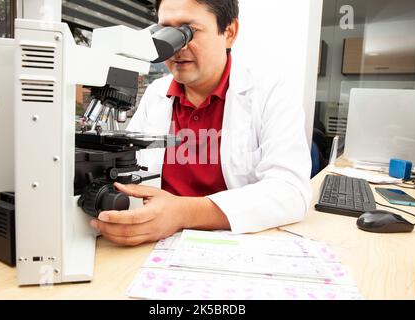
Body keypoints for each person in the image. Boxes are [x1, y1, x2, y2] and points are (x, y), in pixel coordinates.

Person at [90, 0, 312, 246]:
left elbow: (291, 193)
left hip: (238, 246)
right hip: (154, 245)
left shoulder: (270, 91)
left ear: (229, 32)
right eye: (165, 30)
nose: (175, 47)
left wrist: (182, 213)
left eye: (187, 31)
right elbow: (126, 170)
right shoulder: (156, 94)